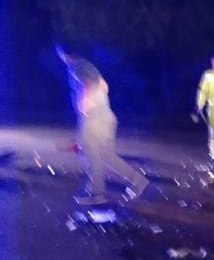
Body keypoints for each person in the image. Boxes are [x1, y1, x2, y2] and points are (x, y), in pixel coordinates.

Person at [56, 45, 149, 206]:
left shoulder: (76, 66)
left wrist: (83, 104)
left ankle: (96, 194)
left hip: (94, 119)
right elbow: (105, 86)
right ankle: (139, 181)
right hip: (106, 117)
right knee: (107, 156)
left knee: (91, 157)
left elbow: (88, 85)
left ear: (64, 53)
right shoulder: (89, 66)